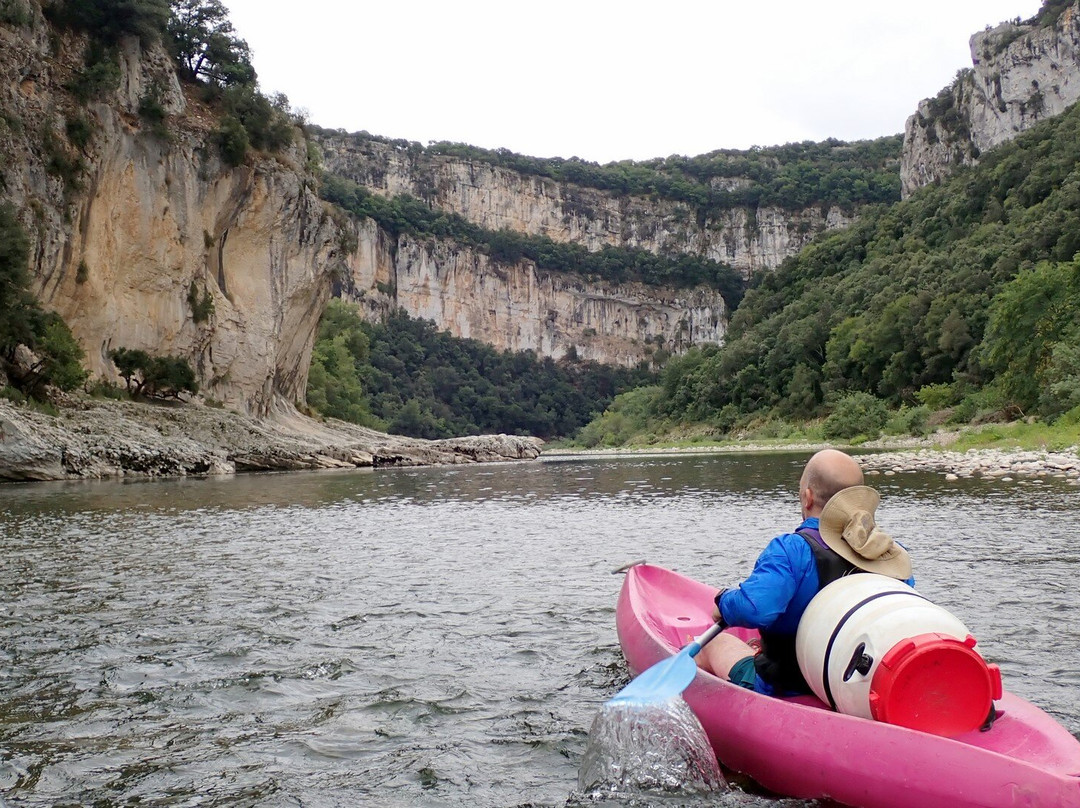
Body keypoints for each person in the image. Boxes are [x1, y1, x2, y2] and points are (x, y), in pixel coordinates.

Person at [696, 448, 914, 696]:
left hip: (786, 687)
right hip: (856, 689)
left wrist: (722, 603)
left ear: (807, 497)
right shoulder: (891, 555)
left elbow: (755, 610)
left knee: (713, 642)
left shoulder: (792, 549)